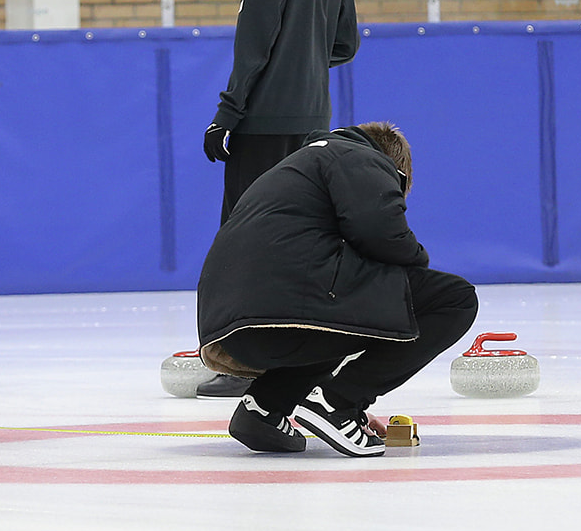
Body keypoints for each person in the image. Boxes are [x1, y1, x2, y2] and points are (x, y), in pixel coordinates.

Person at [196, 122, 478, 457]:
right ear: (395, 170)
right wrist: (418, 260)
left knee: (345, 308)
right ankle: (336, 404)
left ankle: (264, 408)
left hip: (229, 326)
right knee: (453, 299)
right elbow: (381, 232)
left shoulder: (296, 166)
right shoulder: (359, 157)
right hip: (282, 305)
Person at [197, 0, 360, 398]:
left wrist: (226, 114)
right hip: (314, 121)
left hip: (263, 123)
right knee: (302, 239)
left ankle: (241, 364)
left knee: (241, 240)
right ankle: (298, 361)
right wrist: (304, 50)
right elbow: (345, 45)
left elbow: (255, 44)